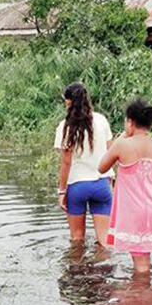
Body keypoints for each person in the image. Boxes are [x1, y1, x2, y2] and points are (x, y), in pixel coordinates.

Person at [98, 99, 152, 274]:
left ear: (130, 121)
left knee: (141, 268)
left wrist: (122, 136)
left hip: (135, 215)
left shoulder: (121, 145)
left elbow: (102, 167)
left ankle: (140, 300)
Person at [56, 83, 115, 246]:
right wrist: (112, 178)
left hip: (77, 186)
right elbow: (111, 153)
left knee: (77, 239)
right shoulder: (102, 120)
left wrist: (62, 191)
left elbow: (66, 162)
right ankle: (104, 269)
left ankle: (77, 270)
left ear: (68, 102)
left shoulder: (64, 127)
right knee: (104, 241)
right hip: (102, 184)